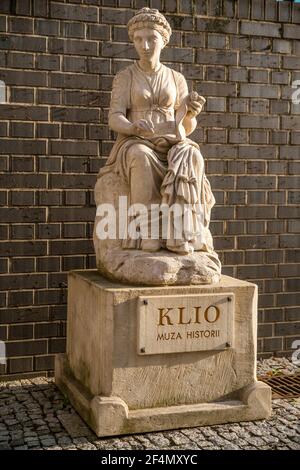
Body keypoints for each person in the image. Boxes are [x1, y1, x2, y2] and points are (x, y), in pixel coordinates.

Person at [98, 8, 216, 256]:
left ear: (163, 40)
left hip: (171, 141)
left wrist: (190, 115)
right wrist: (132, 127)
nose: (145, 45)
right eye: (139, 39)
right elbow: (114, 117)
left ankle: (180, 233)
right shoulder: (125, 77)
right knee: (141, 158)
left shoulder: (176, 78)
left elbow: (185, 126)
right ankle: (148, 233)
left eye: (151, 38)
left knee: (192, 156)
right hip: (136, 142)